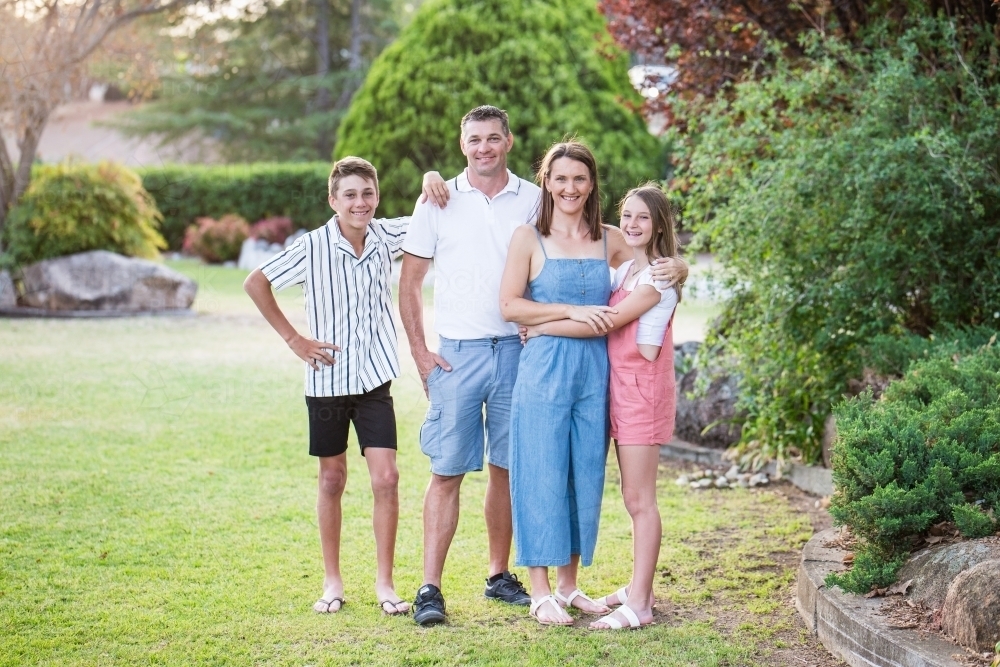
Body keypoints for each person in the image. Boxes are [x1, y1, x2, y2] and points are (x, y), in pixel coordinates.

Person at [499, 141, 683, 626]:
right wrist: (566, 312)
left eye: (579, 179)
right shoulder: (528, 238)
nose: (570, 188)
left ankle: (569, 585)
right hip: (543, 370)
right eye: (561, 178)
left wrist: (681, 267)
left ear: (592, 184)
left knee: (583, 475)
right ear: (547, 182)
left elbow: (657, 260)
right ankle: (540, 591)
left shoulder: (609, 238)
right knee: (540, 471)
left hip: (596, 374)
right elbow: (510, 306)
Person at [243, 156, 411, 616]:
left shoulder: (389, 236)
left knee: (388, 478)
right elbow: (255, 282)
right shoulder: (312, 246)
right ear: (333, 200)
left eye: (367, 193)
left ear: (376, 196)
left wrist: (434, 178)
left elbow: (440, 210)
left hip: (375, 377)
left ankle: (385, 583)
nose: (360, 203)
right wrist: (294, 339)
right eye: (350, 195)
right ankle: (333, 580)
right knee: (332, 478)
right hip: (327, 381)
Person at [399, 105, 539, 625]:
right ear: (463, 145)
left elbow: (568, 252)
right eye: (474, 139)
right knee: (447, 470)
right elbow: (410, 283)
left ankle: (498, 575)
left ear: (509, 141)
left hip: (518, 353)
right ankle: (430, 587)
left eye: (493, 138)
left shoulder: (534, 199)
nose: (484, 147)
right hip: (458, 355)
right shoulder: (437, 199)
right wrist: (420, 353)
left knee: (505, 468)